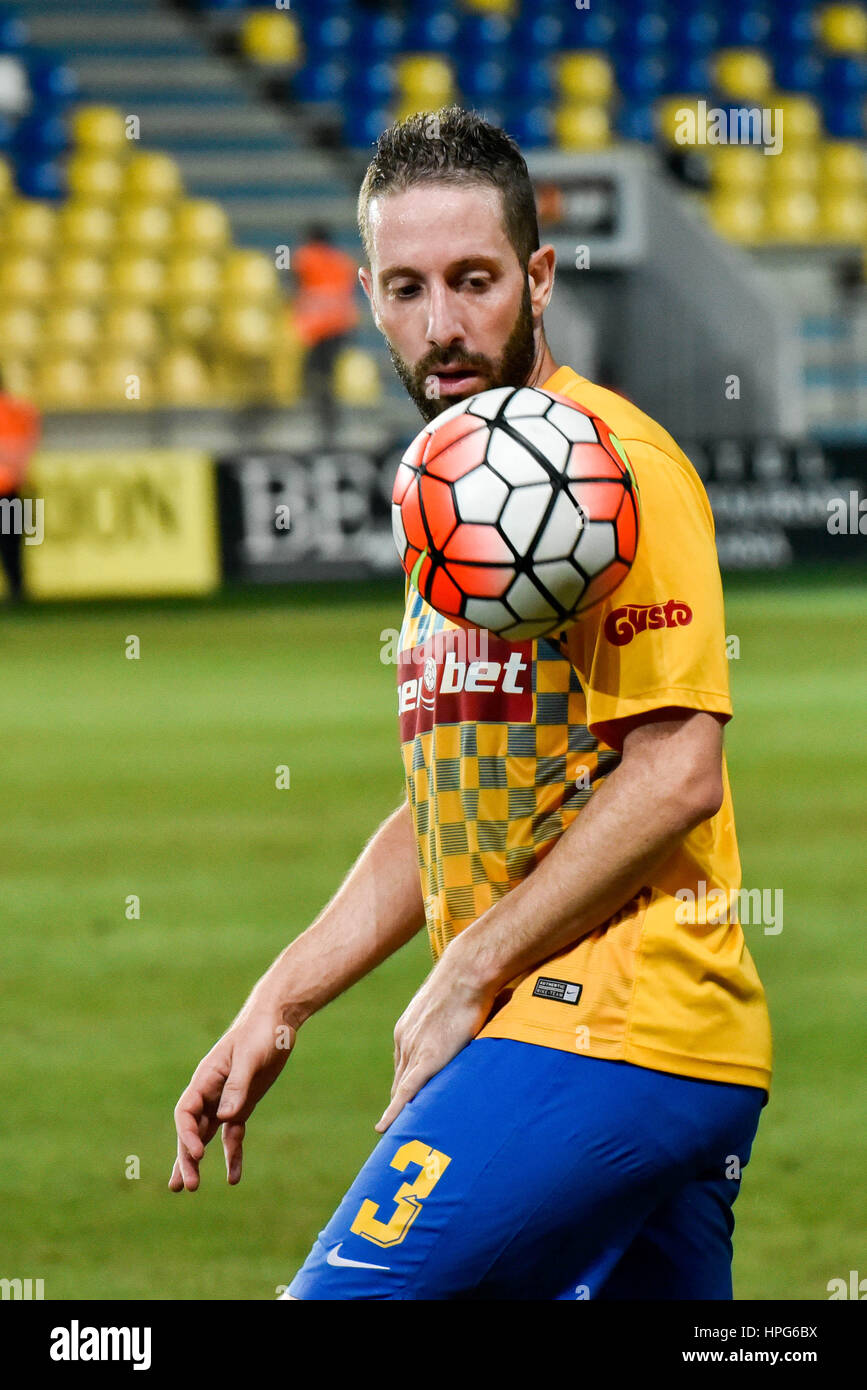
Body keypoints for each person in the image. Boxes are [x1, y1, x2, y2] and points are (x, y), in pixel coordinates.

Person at [170, 107, 773, 1302]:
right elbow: (448, 805)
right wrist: (281, 997)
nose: (441, 327)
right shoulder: (456, 489)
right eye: (404, 288)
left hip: (610, 1025)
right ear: (369, 300)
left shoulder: (609, 469)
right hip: (662, 1056)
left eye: (474, 280)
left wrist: (464, 974)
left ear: (539, 278)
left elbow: (676, 768)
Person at [290, 224, 360, 438]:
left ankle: (318, 422)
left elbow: (290, 280)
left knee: (314, 374)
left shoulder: (305, 257)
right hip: (342, 324)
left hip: (316, 326)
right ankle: (330, 421)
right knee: (329, 375)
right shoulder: (343, 261)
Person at [0, 369, 41, 601]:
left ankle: (17, 590)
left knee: (10, 543)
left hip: (7, 486)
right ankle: (17, 591)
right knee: (11, 544)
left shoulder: (18, 410)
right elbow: (26, 445)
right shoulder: (22, 410)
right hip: (11, 489)